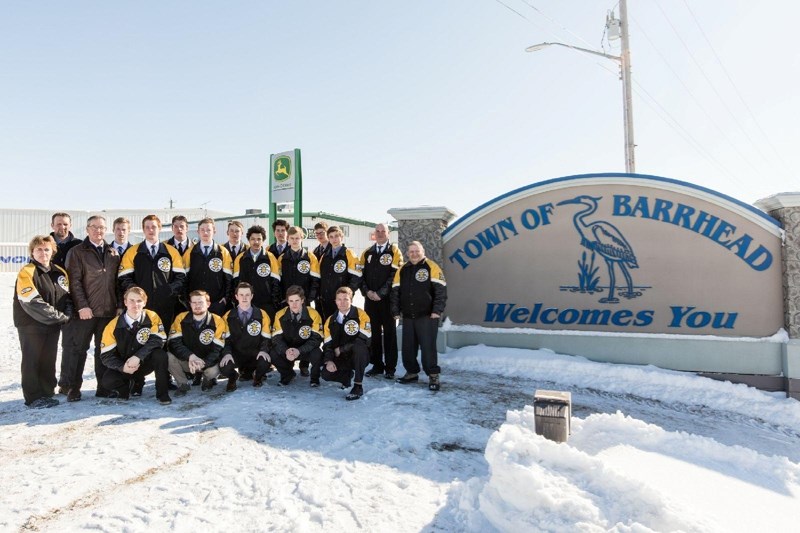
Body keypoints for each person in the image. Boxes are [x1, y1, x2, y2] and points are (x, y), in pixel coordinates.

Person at [62, 215, 119, 401]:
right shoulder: (77, 252)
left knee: (103, 351)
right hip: (85, 313)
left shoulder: (113, 253)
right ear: (87, 229)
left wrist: (118, 306)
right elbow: (74, 282)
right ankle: (73, 388)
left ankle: (103, 387)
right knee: (78, 350)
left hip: (108, 312)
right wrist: (82, 306)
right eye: (94, 227)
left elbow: (117, 283)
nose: (98, 230)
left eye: (102, 227)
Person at [14, 235, 71, 408]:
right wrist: (59, 317)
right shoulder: (27, 271)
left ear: (52, 251)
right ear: (32, 252)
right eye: (39, 249)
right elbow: (31, 301)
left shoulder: (60, 272)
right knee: (32, 360)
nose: (43, 253)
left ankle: (46, 392)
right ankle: (33, 397)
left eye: (46, 249)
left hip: (52, 325)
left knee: (48, 359)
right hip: (31, 325)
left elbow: (67, 298)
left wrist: (66, 314)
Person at [98, 286, 171, 404]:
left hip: (145, 362)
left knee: (160, 355)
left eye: (139, 301)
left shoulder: (152, 316)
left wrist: (138, 357)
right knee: (108, 381)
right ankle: (124, 389)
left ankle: (162, 393)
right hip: (125, 366)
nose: (135, 304)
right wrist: (122, 367)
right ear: (125, 302)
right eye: (131, 300)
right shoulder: (112, 325)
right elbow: (106, 356)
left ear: (145, 302)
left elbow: (158, 340)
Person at [391, 241, 447, 391]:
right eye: (411, 251)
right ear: (408, 253)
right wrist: (395, 311)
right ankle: (411, 372)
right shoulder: (402, 269)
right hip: (408, 317)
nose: (414, 254)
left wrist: (437, 310)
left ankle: (433, 375)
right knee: (408, 347)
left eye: (417, 251)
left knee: (428, 348)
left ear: (423, 251)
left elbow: (441, 291)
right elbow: (395, 291)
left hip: (427, 316)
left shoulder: (432, 267)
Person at [118, 214, 187, 333]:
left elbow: (180, 278)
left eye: (154, 227)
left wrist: (169, 290)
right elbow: (124, 278)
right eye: (147, 227)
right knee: (141, 336)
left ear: (159, 228)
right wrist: (137, 293)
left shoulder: (171, 252)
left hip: (165, 305)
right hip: (140, 305)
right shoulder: (132, 252)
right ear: (143, 229)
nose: (151, 230)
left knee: (164, 337)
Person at [359, 223, 403, 380]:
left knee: (390, 334)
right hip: (370, 301)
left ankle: (390, 368)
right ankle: (377, 365)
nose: (379, 233)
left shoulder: (394, 251)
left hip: (387, 301)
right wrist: (367, 292)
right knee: (374, 334)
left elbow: (394, 275)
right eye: (377, 231)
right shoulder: (367, 252)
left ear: (388, 233)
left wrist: (380, 293)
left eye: (382, 231)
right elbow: (360, 275)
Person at [167, 290, 227, 395]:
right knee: (168, 357)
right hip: (189, 361)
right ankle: (183, 384)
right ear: (190, 304)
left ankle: (207, 379)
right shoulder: (181, 318)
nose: (197, 305)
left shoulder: (218, 320)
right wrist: (190, 356)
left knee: (212, 371)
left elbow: (218, 349)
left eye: (200, 302)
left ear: (208, 304)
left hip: (208, 362)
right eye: (194, 303)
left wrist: (204, 363)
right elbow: (174, 343)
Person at [279, 226, 320, 376]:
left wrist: (309, 299)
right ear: (287, 239)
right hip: (288, 302)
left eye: (297, 238)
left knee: (305, 331)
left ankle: (304, 364)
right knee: (289, 331)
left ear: (302, 238)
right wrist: (282, 299)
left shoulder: (310, 257)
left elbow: (315, 280)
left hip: (305, 302)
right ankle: (288, 362)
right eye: (292, 238)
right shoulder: (282, 258)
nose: (295, 241)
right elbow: (278, 281)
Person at [319, 286, 371, 401]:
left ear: (351, 300)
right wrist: (329, 360)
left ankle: (358, 386)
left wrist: (342, 349)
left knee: (359, 346)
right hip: (342, 358)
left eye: (346, 299)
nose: (342, 302)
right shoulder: (330, 320)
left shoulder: (361, 315)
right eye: (339, 299)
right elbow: (328, 345)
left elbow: (365, 338)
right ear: (335, 301)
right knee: (326, 374)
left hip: (358, 356)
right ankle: (346, 377)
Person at [219, 282, 272, 390]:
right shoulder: (227, 316)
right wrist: (227, 354)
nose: (244, 298)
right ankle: (233, 377)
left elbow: (266, 338)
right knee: (224, 365)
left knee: (266, 361)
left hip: (255, 353)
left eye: (247, 295)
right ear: (236, 296)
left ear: (252, 296)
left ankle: (257, 377)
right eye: (241, 295)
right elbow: (226, 340)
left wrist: (263, 350)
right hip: (237, 354)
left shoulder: (262, 314)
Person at [271, 285, 323, 387]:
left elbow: (317, 338)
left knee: (317, 353)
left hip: (305, 350)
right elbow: (276, 338)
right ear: (287, 301)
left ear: (302, 300)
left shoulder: (313, 314)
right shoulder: (279, 315)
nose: (294, 304)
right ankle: (288, 375)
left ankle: (314, 379)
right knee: (272, 353)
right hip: (288, 350)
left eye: (297, 300)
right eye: (291, 301)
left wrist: (299, 350)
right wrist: (286, 350)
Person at [184, 218, 233, 316]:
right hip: (196, 304)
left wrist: (225, 299)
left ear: (214, 231)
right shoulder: (190, 252)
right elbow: (184, 279)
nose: (205, 232)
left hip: (217, 303)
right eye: (202, 230)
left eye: (209, 230)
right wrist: (187, 299)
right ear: (198, 231)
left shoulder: (223, 252)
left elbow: (229, 278)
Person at [233, 225, 281, 321]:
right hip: (245, 304)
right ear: (248, 240)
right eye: (253, 239)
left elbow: (276, 283)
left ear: (263, 240)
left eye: (259, 239)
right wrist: (237, 301)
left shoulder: (270, 258)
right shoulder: (240, 258)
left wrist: (274, 303)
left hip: (266, 304)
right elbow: (235, 282)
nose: (256, 242)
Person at [318, 225, 361, 320]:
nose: (334, 239)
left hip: (342, 301)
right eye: (331, 237)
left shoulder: (349, 254)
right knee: (329, 325)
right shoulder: (324, 256)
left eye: (337, 236)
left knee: (342, 325)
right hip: (326, 299)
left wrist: (347, 295)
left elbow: (357, 277)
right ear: (328, 238)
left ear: (341, 237)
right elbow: (320, 278)